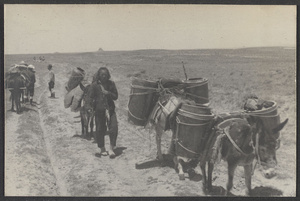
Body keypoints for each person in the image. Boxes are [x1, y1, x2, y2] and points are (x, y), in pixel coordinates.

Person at [89, 67, 119, 159]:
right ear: (99, 75)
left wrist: (108, 93)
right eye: (102, 74)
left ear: (108, 75)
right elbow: (90, 98)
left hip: (110, 110)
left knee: (114, 128)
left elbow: (115, 96)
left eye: (106, 74)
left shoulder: (111, 84)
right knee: (99, 129)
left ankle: (111, 149)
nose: (104, 76)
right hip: (99, 111)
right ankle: (102, 148)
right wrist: (90, 107)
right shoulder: (94, 86)